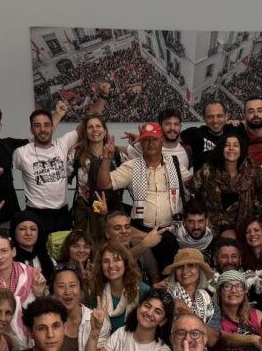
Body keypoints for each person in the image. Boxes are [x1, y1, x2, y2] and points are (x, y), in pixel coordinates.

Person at [96, 123, 185, 272]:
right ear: (140, 143)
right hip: (140, 231)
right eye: (146, 140)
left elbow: (193, 183)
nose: (150, 143)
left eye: (154, 139)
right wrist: (106, 160)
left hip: (171, 230)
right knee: (139, 270)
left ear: (161, 140)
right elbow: (104, 184)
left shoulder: (174, 164)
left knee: (171, 272)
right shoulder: (131, 166)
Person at [88, 291, 174, 351]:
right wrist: (95, 330)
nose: (149, 313)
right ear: (138, 308)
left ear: (163, 321)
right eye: (147, 306)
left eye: (157, 312)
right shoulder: (122, 333)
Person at [14, 103, 78, 235]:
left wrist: (102, 96)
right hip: (36, 215)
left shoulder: (62, 145)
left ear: (52, 127)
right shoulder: (21, 153)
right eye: (37, 125)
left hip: (62, 215)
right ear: (31, 129)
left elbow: (88, 123)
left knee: (64, 248)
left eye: (47, 125)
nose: (42, 129)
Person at [190, 127, 255, 235]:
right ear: (221, 149)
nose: (231, 148)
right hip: (209, 228)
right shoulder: (208, 170)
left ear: (241, 150)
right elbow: (190, 190)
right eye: (227, 145)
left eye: (235, 145)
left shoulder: (251, 173)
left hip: (242, 229)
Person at [70, 113, 123, 243]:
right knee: (84, 245)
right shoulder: (76, 155)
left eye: (98, 126)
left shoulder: (117, 154)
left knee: (110, 245)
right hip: (85, 210)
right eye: (90, 127)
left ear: (105, 131)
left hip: (110, 209)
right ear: (85, 132)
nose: (95, 130)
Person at [89, 241, 150, 334]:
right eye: (106, 261)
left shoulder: (143, 291)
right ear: (101, 266)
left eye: (116, 260)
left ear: (125, 263)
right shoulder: (97, 293)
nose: (111, 265)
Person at [210, 270, 262, 351]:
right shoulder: (213, 317)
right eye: (227, 286)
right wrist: (252, 339)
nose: (234, 290)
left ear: (244, 292)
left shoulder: (256, 314)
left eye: (239, 286)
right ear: (219, 292)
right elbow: (222, 337)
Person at [163, 249, 217, 334]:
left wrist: (187, 311)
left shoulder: (208, 299)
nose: (185, 271)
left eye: (191, 265)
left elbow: (213, 337)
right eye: (180, 266)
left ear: (200, 270)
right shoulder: (165, 296)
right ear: (175, 272)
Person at [126, 106, 192, 171]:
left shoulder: (188, 150)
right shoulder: (147, 147)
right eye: (167, 124)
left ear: (180, 127)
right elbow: (125, 152)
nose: (172, 128)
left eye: (176, 124)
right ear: (160, 126)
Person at [51, 264, 94, 351]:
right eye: (61, 286)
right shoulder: (45, 320)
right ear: (53, 292)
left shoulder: (96, 320)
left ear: (81, 289)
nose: (67, 291)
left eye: (72, 285)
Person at [11, 210, 55, 279]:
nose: (28, 233)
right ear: (14, 233)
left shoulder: (46, 255)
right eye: (22, 229)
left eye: (33, 229)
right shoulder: (8, 258)